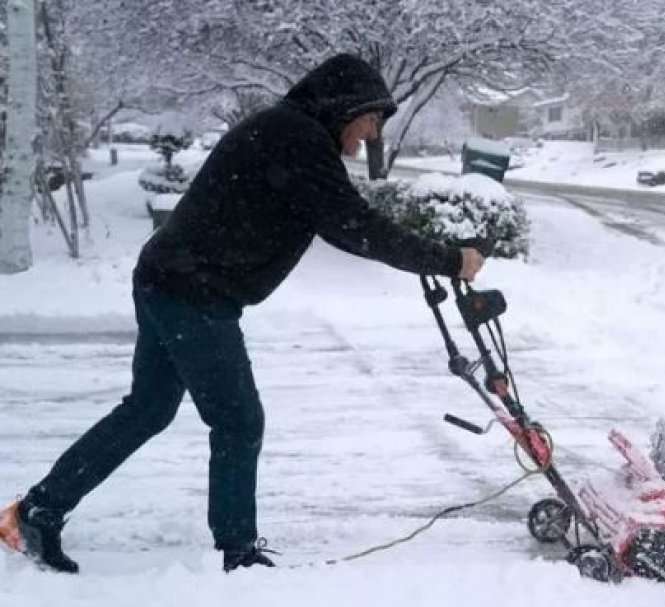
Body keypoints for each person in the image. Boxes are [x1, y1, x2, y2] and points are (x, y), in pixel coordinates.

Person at [0, 53, 485, 574]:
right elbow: (353, 225)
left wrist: (440, 258)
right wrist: (450, 260)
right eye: (370, 120)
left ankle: (38, 512)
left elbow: (347, 220)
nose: (370, 135)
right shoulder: (297, 139)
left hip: (172, 278)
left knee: (149, 409)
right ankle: (237, 552)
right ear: (345, 108)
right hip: (192, 291)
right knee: (237, 419)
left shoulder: (292, 133)